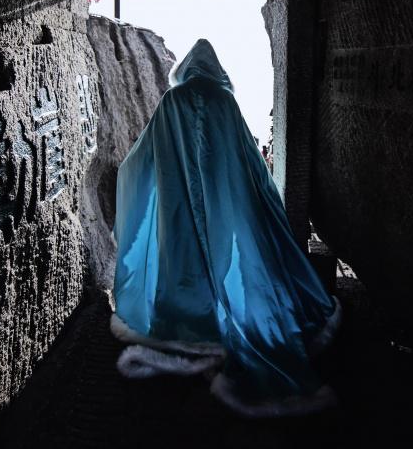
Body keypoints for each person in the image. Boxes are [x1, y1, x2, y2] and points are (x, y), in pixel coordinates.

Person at [110, 38, 341, 417]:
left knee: (183, 257)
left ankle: (190, 322)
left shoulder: (173, 102)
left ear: (183, 69)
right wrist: (260, 202)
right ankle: (233, 320)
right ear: (217, 70)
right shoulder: (224, 102)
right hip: (226, 203)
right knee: (231, 260)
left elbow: (142, 159)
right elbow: (249, 161)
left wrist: (132, 193)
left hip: (177, 203)